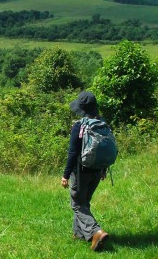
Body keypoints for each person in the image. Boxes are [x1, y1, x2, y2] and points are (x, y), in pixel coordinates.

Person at [61, 90, 110, 251]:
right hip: (97, 170)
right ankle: (79, 234)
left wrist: (65, 174)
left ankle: (96, 232)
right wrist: (103, 169)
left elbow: (73, 152)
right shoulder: (102, 123)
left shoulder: (79, 126)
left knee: (77, 204)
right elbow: (104, 148)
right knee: (84, 202)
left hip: (81, 171)